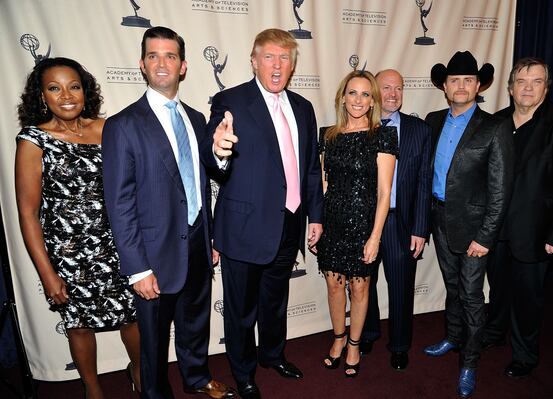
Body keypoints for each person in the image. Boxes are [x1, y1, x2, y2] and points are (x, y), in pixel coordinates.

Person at [102, 26, 234, 399]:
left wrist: (220, 155)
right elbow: (119, 204)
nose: (162, 63)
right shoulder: (122, 125)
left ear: (184, 66)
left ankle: (196, 377)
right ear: (142, 65)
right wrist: (137, 268)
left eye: (170, 56)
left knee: (196, 322)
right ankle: (156, 393)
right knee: (155, 337)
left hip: (196, 241)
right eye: (154, 56)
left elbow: (203, 173)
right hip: (152, 254)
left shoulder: (195, 119)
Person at [15, 57, 141, 399]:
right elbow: (28, 213)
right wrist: (47, 274)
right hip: (68, 254)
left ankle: (140, 374)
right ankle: (93, 389)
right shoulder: (33, 140)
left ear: (85, 91)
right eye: (54, 88)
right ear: (42, 96)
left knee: (134, 318)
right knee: (80, 325)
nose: (66, 95)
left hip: (118, 245)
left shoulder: (110, 128)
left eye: (74, 86)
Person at [209, 28, 323, 399]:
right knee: (241, 309)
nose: (277, 65)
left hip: (289, 223)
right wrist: (219, 151)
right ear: (254, 61)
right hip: (243, 227)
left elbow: (309, 169)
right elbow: (215, 158)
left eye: (285, 58)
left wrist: (316, 216)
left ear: (292, 65)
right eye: (269, 57)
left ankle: (273, 355)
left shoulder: (304, 108)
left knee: (275, 301)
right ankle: (243, 373)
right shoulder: (231, 101)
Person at [483, 57, 553, 379]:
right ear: (510, 87)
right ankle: (495, 333)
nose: (528, 88)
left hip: (536, 229)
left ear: (546, 87)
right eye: (522, 82)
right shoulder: (496, 121)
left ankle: (525, 355)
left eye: (536, 81)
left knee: (528, 296)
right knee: (498, 287)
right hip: (495, 227)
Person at [423, 51, 514, 398]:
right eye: (454, 80)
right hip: (439, 220)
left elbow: (501, 190)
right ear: (445, 87)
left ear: (478, 86)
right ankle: (452, 335)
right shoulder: (432, 120)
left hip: (475, 230)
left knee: (473, 296)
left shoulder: (495, 127)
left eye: (468, 80)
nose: (461, 86)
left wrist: (486, 237)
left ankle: (470, 362)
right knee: (452, 287)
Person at [317, 70, 397, 378]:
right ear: (342, 96)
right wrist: (318, 224)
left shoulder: (383, 135)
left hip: (364, 223)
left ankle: (353, 343)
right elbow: (324, 184)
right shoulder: (329, 135)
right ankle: (337, 339)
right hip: (333, 222)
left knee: (360, 287)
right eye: (353, 93)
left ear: (373, 99)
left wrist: (375, 237)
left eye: (366, 94)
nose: (358, 100)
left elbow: (384, 192)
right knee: (334, 284)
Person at [360, 69, 432, 371]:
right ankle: (368, 331)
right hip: (363, 222)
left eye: (398, 88)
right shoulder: (360, 125)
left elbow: (425, 181)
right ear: (375, 91)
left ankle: (400, 345)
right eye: (386, 88)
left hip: (400, 223)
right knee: (364, 283)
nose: (392, 94)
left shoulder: (419, 129)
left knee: (401, 287)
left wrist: (420, 228)